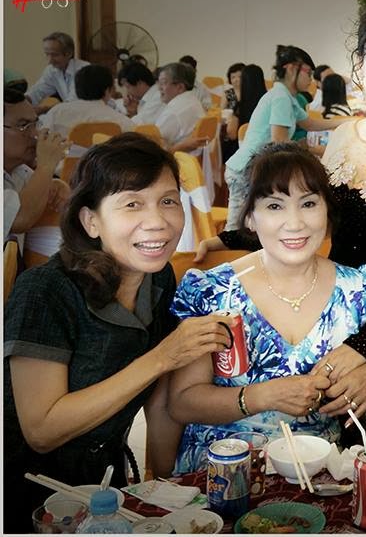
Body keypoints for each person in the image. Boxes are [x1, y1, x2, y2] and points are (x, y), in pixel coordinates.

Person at [195, 0, 366, 447]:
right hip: (338, 314)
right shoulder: (344, 137)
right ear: (360, 66)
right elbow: (311, 214)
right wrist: (232, 239)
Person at [3, 133, 229, 531]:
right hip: (34, 501)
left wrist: (164, 490)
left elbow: (159, 401)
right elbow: (41, 430)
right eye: (132, 204)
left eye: (168, 201)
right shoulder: (45, 291)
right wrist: (162, 357)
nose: (157, 221)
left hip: (108, 490)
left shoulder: (157, 281)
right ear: (91, 221)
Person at [167, 142, 366, 473]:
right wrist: (263, 396)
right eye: (275, 206)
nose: (295, 223)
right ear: (250, 217)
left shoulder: (361, 289)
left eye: (308, 203)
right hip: (221, 471)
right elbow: (182, 402)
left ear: (327, 210)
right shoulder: (212, 291)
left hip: (319, 474)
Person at [224, 46, 349, 231]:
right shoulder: (281, 97)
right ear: (291, 69)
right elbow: (279, 141)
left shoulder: (287, 96)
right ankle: (217, 250)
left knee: (248, 226)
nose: (310, 79)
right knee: (238, 228)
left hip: (254, 166)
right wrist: (306, 147)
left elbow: (310, 124)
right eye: (308, 72)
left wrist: (347, 122)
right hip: (246, 169)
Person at [4, 88, 69, 240]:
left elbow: (38, 190)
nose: (35, 135)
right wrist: (46, 166)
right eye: (24, 126)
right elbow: (19, 218)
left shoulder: (18, 170)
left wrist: (56, 184)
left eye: (35, 124)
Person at [40, 64, 135, 137]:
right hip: (102, 157)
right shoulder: (119, 121)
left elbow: (42, 138)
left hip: (62, 157)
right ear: (107, 90)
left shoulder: (56, 112)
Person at [25, 32, 90, 113]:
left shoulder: (84, 69)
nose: (49, 61)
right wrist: (22, 101)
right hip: (72, 113)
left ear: (69, 53)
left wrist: (43, 109)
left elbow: (74, 102)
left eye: (54, 55)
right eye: (47, 54)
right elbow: (37, 91)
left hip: (92, 114)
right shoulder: (51, 70)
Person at [153, 62, 207, 153]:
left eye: (163, 83)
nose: (159, 88)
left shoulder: (175, 111)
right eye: (159, 83)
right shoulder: (192, 100)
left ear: (180, 87)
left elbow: (153, 145)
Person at [117, 61, 164, 125]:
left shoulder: (159, 96)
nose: (127, 92)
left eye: (128, 87)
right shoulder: (145, 99)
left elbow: (138, 125)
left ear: (140, 83)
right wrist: (133, 112)